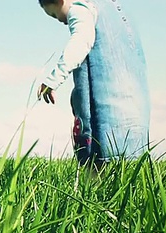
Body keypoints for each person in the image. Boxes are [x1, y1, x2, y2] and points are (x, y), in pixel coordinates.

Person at [36, 0, 150, 170]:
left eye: (54, 14)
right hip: (132, 108)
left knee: (95, 164)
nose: (58, 19)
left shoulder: (81, 9)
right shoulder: (117, 14)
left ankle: (92, 193)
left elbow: (80, 42)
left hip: (102, 108)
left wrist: (52, 80)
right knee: (123, 165)